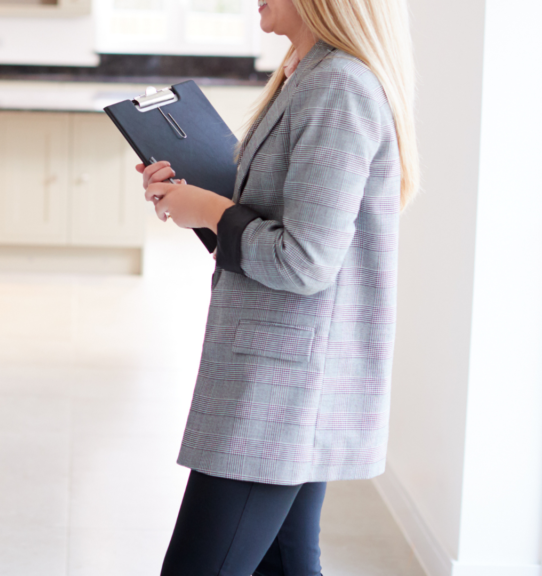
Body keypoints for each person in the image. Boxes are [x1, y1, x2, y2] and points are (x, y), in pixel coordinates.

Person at [137, 0, 418, 574]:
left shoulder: (338, 86)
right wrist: (192, 201)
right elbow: (277, 218)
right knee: (287, 563)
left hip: (279, 389)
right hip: (282, 378)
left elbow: (305, 261)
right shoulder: (307, 75)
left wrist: (213, 210)